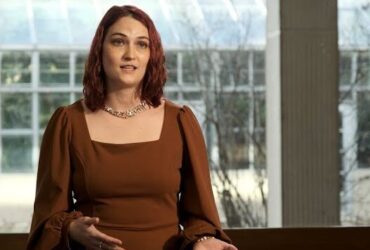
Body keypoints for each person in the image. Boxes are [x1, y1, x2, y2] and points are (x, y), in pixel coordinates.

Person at [27, 5, 238, 250]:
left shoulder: (180, 121)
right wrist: (72, 228)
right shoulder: (68, 122)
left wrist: (204, 240)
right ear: (99, 50)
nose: (130, 54)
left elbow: (200, 216)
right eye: (118, 42)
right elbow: (47, 219)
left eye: (142, 44)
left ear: (152, 55)